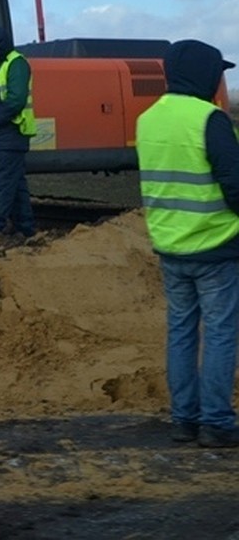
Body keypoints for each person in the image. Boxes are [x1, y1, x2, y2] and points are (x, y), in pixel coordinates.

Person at [136, 39, 239, 448]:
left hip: (170, 245)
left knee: (180, 331)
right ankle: (216, 422)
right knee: (219, 333)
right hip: (215, 245)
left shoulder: (148, 119)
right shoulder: (210, 120)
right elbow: (234, 183)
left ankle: (184, 419)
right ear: (205, 75)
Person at [0, 26, 36, 238]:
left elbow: (16, 98)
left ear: (1, 45)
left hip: (10, 134)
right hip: (5, 135)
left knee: (2, 182)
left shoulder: (16, 64)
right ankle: (25, 228)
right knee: (16, 184)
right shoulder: (1, 65)